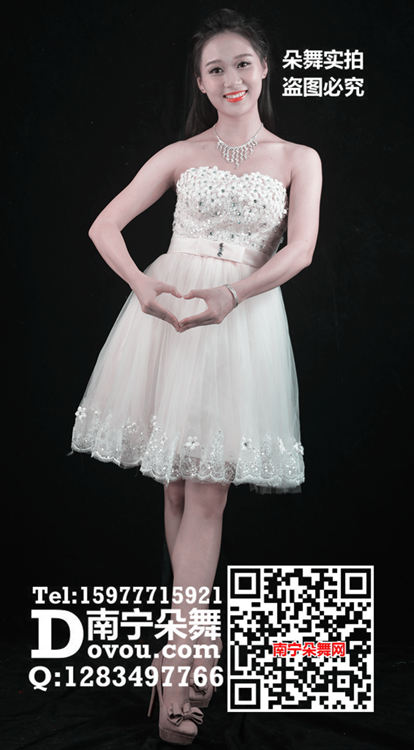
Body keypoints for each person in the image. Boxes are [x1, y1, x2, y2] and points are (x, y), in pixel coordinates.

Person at [71, 8, 322, 744]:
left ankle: (182, 660)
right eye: (216, 69)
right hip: (171, 315)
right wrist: (144, 288)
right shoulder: (181, 153)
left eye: (242, 63)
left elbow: (300, 250)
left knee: (207, 489)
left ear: (265, 68)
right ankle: (182, 656)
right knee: (179, 487)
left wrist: (231, 296)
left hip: (240, 320)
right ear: (202, 83)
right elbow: (104, 226)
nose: (231, 78)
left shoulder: (298, 157)